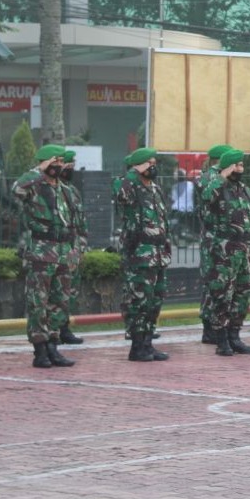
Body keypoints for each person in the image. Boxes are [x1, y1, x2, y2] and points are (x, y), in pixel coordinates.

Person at [12, 144, 77, 369]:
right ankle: (40, 350)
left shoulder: (66, 191)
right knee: (38, 302)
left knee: (59, 303)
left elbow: (75, 223)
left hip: (63, 252)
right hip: (41, 251)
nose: (58, 165)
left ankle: (53, 346)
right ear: (44, 162)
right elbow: (16, 188)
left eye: (61, 161)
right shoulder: (34, 187)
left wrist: (75, 250)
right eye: (54, 161)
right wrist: (39, 170)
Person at [114, 147, 172, 362]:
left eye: (154, 162)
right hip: (139, 253)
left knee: (154, 301)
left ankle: (148, 343)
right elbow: (120, 191)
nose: (153, 167)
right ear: (138, 166)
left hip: (158, 254)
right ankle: (137, 346)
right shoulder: (128, 185)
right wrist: (133, 171)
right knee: (138, 301)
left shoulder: (155, 189)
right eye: (149, 163)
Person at [200, 148, 250, 355]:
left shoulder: (244, 189)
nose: (241, 169)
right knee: (222, 295)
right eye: (237, 165)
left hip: (242, 250)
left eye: (242, 165)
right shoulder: (214, 184)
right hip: (223, 251)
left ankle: (235, 335)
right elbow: (207, 197)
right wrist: (222, 176)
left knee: (242, 294)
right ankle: (221, 338)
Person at [196, 144, 231, 343]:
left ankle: (217, 326)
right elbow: (210, 195)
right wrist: (222, 175)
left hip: (227, 241)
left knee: (224, 285)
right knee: (213, 284)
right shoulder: (208, 177)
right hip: (213, 241)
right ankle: (209, 328)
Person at [57, 149, 86, 344]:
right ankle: (53, 330)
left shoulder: (72, 191)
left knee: (70, 291)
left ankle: (64, 327)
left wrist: (81, 247)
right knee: (55, 292)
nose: (71, 170)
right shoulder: (51, 189)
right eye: (68, 166)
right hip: (56, 249)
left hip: (72, 247)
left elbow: (80, 222)